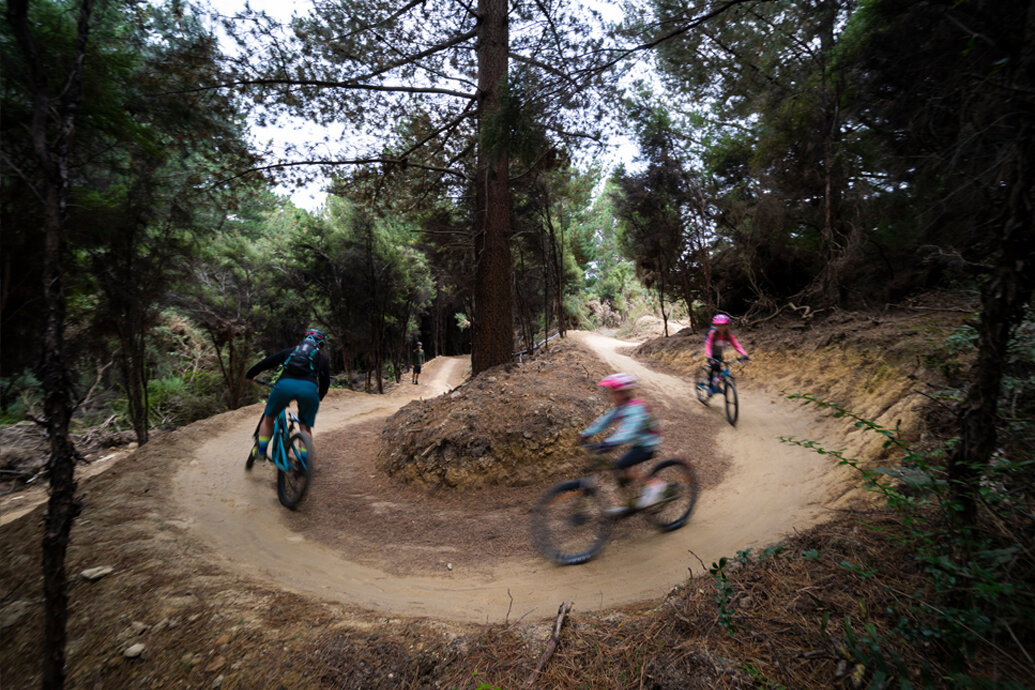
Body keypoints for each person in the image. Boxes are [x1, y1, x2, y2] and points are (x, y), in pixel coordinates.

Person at [578, 373, 666, 512]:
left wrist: (608, 443)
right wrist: (585, 434)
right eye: (611, 393)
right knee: (623, 471)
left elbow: (628, 430)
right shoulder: (620, 408)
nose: (611, 396)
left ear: (624, 393)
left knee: (622, 465)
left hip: (648, 444)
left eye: (615, 393)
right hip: (638, 443)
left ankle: (655, 486)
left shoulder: (636, 408)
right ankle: (630, 502)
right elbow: (604, 420)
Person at [246, 328, 330, 462]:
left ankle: (261, 452)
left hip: (284, 387)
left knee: (268, 420)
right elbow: (325, 383)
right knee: (305, 427)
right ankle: (304, 460)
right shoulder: (322, 359)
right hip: (308, 390)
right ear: (320, 344)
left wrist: (250, 374)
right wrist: (318, 398)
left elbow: (266, 363)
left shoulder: (290, 352)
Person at [704, 314, 749, 392]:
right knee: (714, 368)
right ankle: (711, 387)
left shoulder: (728, 334)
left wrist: (744, 354)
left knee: (720, 371)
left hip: (718, 352)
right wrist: (709, 357)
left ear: (726, 325)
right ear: (716, 325)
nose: (721, 328)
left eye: (723, 325)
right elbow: (708, 345)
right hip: (711, 352)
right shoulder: (712, 333)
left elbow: (736, 345)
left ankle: (716, 384)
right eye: (719, 325)